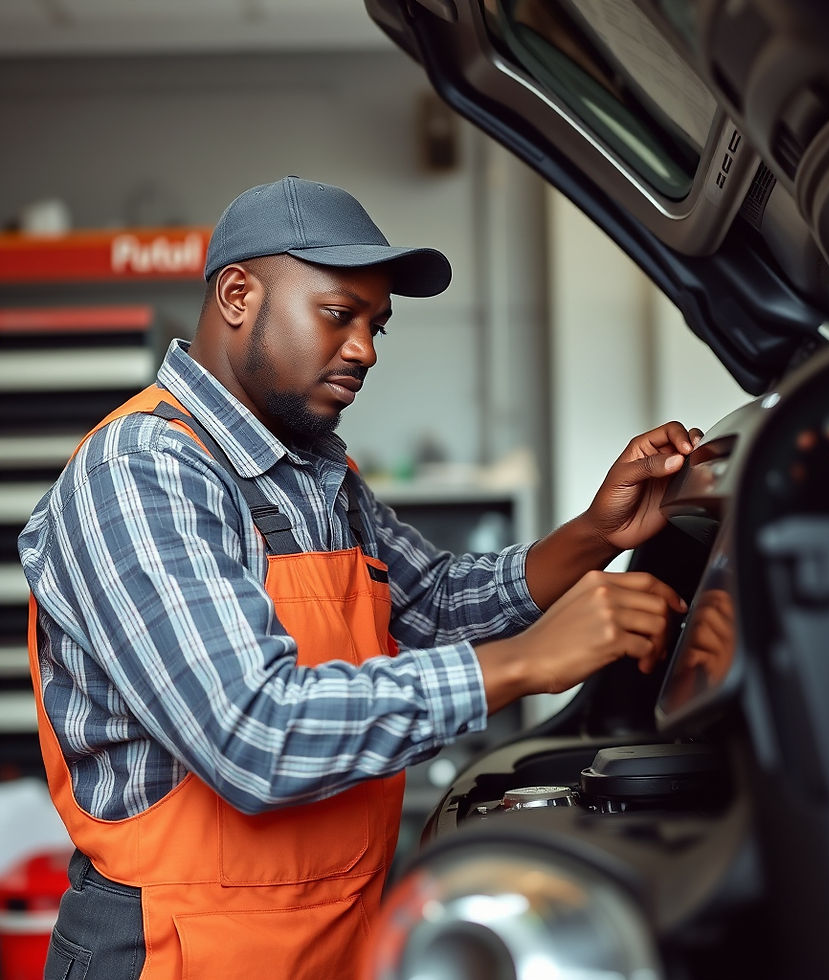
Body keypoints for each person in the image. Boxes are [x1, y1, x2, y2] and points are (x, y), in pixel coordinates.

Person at [19, 176, 702, 980]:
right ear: (238, 294)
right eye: (339, 314)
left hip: (334, 934)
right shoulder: (142, 473)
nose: (366, 349)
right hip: (181, 948)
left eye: (377, 324)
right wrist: (525, 663)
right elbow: (253, 735)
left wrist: (595, 535)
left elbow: (437, 602)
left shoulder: (314, 472)